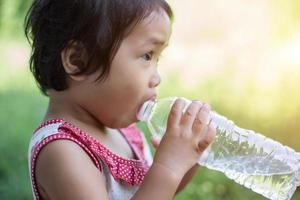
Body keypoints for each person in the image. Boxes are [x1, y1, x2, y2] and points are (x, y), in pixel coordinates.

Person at [25, 0, 216, 199]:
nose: (157, 78)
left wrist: (187, 159)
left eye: (157, 59)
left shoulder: (121, 132)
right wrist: (168, 167)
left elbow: (155, 192)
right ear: (79, 61)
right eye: (147, 56)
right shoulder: (63, 151)